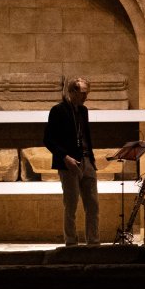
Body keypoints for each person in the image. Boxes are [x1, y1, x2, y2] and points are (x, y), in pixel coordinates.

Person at [44, 76, 99, 246]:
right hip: (69, 163)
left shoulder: (84, 111)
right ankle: (71, 243)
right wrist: (65, 157)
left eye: (87, 93)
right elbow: (48, 139)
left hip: (87, 161)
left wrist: (91, 159)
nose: (86, 97)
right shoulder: (58, 110)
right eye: (83, 93)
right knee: (71, 206)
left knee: (93, 205)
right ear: (72, 91)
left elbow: (85, 137)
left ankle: (93, 242)